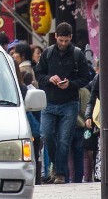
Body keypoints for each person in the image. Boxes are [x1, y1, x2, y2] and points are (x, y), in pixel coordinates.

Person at [38, 23, 94, 185]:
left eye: (66, 40)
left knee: (64, 139)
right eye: (61, 40)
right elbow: (39, 73)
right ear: (56, 37)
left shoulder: (77, 54)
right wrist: (50, 79)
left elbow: (86, 77)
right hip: (49, 102)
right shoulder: (47, 53)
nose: (63, 43)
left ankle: (61, 173)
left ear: (70, 38)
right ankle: (57, 165)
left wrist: (71, 84)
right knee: (47, 135)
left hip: (69, 103)